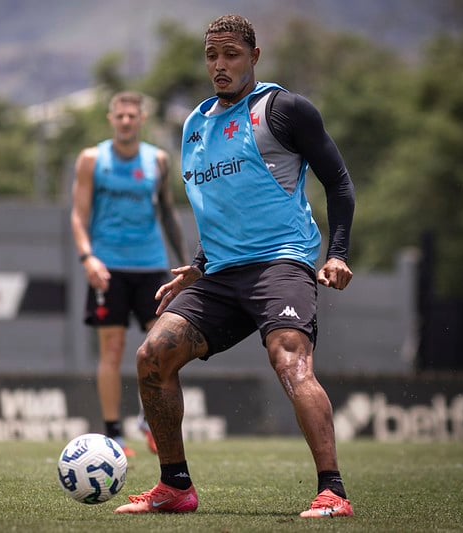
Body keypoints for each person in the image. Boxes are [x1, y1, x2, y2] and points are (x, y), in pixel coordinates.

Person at [114, 15, 356, 518]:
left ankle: (333, 492)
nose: (219, 66)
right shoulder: (195, 125)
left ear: (254, 57)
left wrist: (337, 252)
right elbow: (219, 205)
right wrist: (199, 265)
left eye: (230, 55)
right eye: (211, 56)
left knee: (289, 360)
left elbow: (339, 183)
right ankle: (175, 487)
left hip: (281, 265)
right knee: (151, 357)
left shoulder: (284, 110)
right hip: (221, 274)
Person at [71, 91, 187, 457]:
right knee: (113, 349)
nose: (125, 121)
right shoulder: (93, 160)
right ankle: (114, 434)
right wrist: (88, 258)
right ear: (111, 119)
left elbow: (168, 214)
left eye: (131, 116)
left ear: (141, 120)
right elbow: (78, 215)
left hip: (151, 265)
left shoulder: (158, 160)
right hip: (109, 268)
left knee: (161, 347)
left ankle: (147, 421)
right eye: (119, 116)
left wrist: (186, 263)